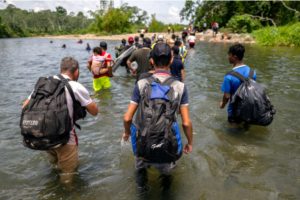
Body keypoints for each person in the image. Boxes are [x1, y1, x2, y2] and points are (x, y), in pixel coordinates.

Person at [122, 43, 193, 193]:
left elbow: (127, 117)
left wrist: (127, 133)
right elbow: (186, 123)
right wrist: (190, 142)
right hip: (167, 142)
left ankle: (142, 192)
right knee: (167, 178)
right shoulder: (180, 86)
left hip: (143, 140)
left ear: (152, 61)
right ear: (171, 60)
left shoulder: (141, 83)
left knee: (141, 174)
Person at [22, 57, 98, 183]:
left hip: (43, 135)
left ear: (61, 69)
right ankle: (66, 192)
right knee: (68, 175)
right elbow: (95, 112)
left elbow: (25, 106)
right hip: (65, 138)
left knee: (54, 167)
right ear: (76, 72)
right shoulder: (76, 86)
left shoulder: (43, 84)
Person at [220, 43, 256, 124]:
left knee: (232, 134)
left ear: (234, 57)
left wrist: (222, 105)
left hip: (234, 112)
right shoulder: (252, 72)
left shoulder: (229, 76)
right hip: (249, 111)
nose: (228, 57)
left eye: (229, 55)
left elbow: (227, 96)